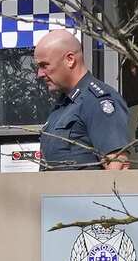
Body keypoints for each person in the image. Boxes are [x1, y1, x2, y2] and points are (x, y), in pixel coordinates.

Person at [34, 29, 131, 170]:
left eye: (44, 65)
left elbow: (117, 166)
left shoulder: (97, 101)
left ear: (70, 59)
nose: (39, 74)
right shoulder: (63, 104)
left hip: (85, 192)